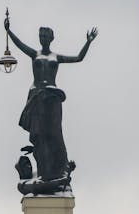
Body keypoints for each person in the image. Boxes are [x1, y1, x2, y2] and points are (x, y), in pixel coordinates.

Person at [5, 16, 97, 184]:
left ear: (51, 39)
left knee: (55, 132)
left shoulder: (56, 57)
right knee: (39, 133)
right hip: (38, 95)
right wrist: (9, 31)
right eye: (41, 37)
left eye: (46, 37)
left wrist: (88, 42)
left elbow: (78, 58)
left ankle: (59, 166)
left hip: (53, 96)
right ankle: (43, 165)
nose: (44, 40)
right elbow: (20, 45)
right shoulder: (35, 54)